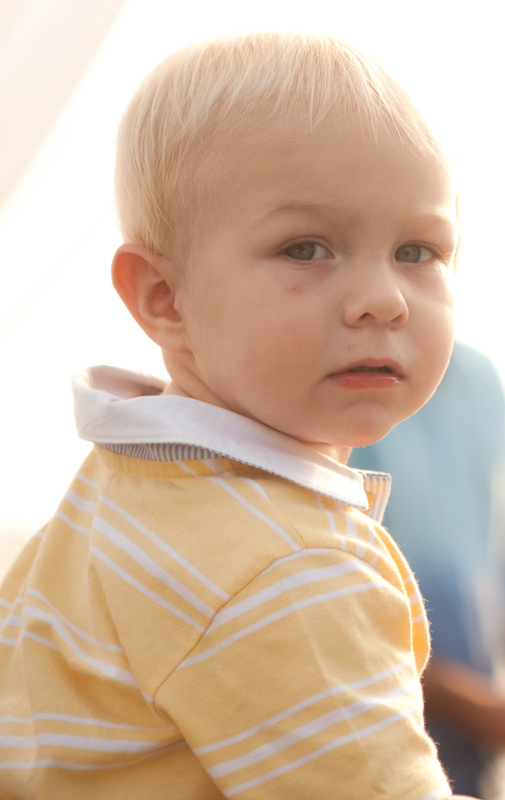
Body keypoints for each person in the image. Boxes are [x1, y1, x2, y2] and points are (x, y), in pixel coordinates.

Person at [0, 33, 470, 799]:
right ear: (164, 297)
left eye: (418, 251)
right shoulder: (284, 565)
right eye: (307, 247)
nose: (382, 298)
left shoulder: (123, 492)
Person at [350, 341, 505, 798]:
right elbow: (348, 624)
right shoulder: (334, 378)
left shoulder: (481, 379)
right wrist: (485, 710)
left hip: (475, 742)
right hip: (377, 740)